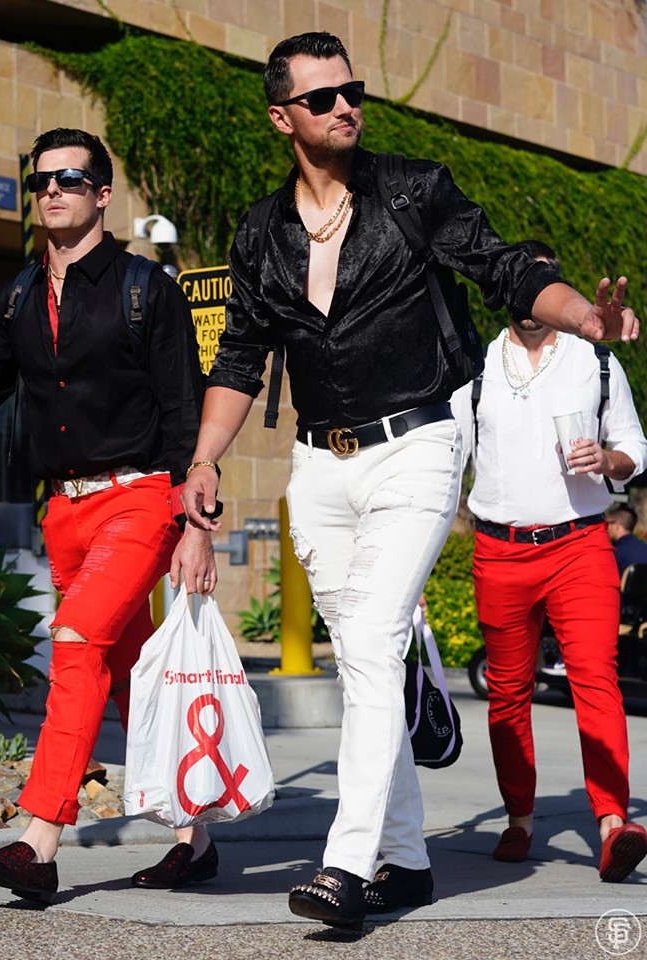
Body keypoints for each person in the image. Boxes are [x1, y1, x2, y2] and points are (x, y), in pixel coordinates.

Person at [174, 32, 640, 930]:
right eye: (322, 97)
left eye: (353, 89)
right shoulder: (261, 232)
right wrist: (204, 460)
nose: (345, 105)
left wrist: (582, 312)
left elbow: (505, 265)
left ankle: (347, 865)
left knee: (378, 634)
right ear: (283, 118)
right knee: (362, 659)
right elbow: (238, 355)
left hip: (418, 445)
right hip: (318, 464)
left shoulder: (414, 190)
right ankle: (410, 855)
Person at [0, 128, 218, 903]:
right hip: (64, 514)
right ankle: (193, 837)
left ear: (103, 194)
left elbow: (183, 410)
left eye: (70, 178)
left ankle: (38, 840)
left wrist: (194, 527)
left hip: (138, 499)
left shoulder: (145, 289)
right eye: (41, 182)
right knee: (129, 676)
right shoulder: (19, 295)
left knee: (73, 643)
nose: (52, 189)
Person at [451, 239, 647, 884]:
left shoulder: (594, 361)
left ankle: (613, 822)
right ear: (505, 290)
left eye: (544, 282)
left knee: (596, 677)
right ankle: (520, 817)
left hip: (580, 545)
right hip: (499, 550)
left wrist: (610, 463)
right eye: (521, 283)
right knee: (508, 693)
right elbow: (444, 466)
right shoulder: (475, 369)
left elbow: (634, 448)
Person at [606, 504, 647, 575]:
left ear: (617, 525)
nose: (606, 528)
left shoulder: (615, 553)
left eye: (607, 523)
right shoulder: (644, 547)